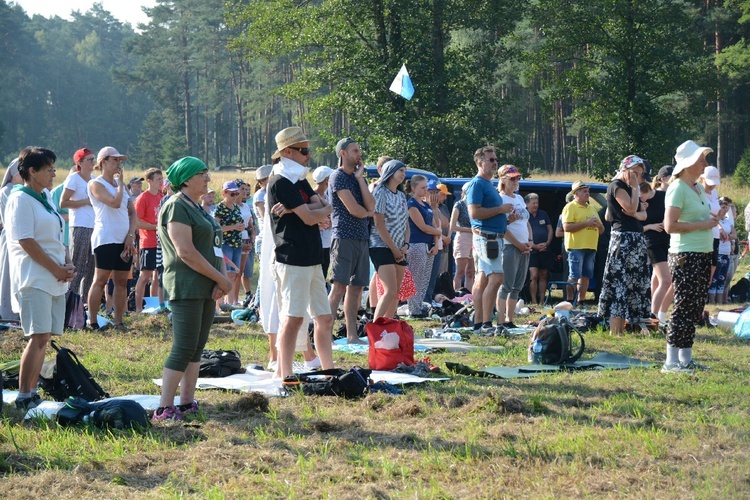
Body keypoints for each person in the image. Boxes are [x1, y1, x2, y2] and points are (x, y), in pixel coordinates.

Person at [153, 156, 233, 421]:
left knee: (197, 346)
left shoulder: (198, 207)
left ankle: (186, 402)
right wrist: (221, 280)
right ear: (186, 179)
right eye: (203, 174)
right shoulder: (176, 206)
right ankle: (165, 407)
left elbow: (214, 248)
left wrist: (221, 279)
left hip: (207, 285)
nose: (208, 179)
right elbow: (185, 251)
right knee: (184, 346)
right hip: (186, 284)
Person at [6, 147, 75, 409]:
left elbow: (56, 235)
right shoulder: (20, 199)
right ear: (32, 172)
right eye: (48, 169)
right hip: (34, 277)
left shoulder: (44, 196)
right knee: (37, 336)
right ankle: (24, 396)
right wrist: (56, 269)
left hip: (53, 277)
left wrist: (66, 263)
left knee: (45, 337)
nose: (54, 174)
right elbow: (26, 241)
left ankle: (33, 391)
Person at [264, 126, 335, 378]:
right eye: (303, 150)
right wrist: (311, 211)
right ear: (286, 152)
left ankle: (329, 370)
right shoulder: (280, 181)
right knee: (292, 319)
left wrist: (304, 209)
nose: (309, 154)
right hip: (292, 258)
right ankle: (284, 374)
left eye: (308, 149)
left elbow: (322, 205)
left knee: (324, 318)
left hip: (313, 257)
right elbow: (310, 216)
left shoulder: (299, 178)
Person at [662, 140, 717, 373]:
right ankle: (671, 361)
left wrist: (710, 221)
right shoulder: (678, 188)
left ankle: (686, 359)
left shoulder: (697, 187)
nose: (705, 162)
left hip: (702, 253)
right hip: (685, 254)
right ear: (688, 163)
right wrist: (702, 224)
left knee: (694, 308)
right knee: (683, 307)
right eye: (701, 159)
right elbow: (669, 226)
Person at [327, 137, 375, 344]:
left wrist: (360, 179)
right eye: (355, 150)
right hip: (344, 237)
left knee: (356, 290)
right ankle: (323, 333)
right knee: (338, 288)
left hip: (362, 237)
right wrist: (367, 212)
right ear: (343, 154)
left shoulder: (356, 178)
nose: (359, 154)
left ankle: (352, 335)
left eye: (359, 150)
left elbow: (371, 206)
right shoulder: (337, 177)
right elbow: (354, 210)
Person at [597, 155, 651, 335]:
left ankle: (624, 329)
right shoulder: (617, 186)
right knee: (619, 285)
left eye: (640, 174)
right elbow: (629, 208)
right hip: (624, 240)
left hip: (635, 239)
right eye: (635, 173)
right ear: (625, 169)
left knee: (631, 285)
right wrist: (635, 190)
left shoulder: (628, 187)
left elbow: (641, 215)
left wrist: (636, 210)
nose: (637, 177)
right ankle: (615, 331)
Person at [86, 147, 138, 330]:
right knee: (100, 280)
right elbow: (115, 204)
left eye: (119, 160)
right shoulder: (96, 184)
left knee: (122, 281)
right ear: (103, 162)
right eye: (115, 160)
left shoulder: (122, 187)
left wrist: (131, 236)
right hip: (105, 238)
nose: (118, 163)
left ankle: (119, 322)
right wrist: (121, 185)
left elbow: (133, 213)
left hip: (124, 239)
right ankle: (92, 322)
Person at [466, 146, 513, 335]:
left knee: (483, 280)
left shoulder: (488, 185)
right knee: (496, 278)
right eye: (490, 159)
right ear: (480, 163)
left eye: (495, 159)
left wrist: (506, 218)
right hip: (487, 239)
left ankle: (479, 323)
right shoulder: (477, 184)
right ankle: (486, 322)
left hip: (491, 238)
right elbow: (474, 212)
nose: (495, 162)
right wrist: (500, 210)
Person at [369, 160, 409, 319]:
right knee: (390, 290)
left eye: (405, 171)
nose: (403, 174)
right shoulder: (380, 192)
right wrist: (394, 249)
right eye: (401, 170)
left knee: (396, 294)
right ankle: (374, 328)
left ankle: (388, 325)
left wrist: (405, 245)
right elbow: (378, 223)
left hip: (400, 248)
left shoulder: (401, 195)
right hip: (381, 246)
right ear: (390, 172)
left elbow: (406, 223)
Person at [496, 165, 531, 328]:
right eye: (512, 178)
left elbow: (526, 221)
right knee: (506, 284)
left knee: (518, 285)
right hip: (510, 246)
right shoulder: (500, 199)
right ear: (503, 179)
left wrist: (530, 241)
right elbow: (502, 228)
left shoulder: (519, 198)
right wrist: (518, 244)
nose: (516, 181)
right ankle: (500, 320)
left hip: (524, 246)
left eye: (518, 178)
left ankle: (510, 319)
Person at [61, 148, 96, 306]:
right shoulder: (73, 179)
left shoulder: (94, 179)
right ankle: (69, 304)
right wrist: (85, 201)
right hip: (80, 226)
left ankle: (84, 305)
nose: (93, 162)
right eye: (89, 159)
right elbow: (63, 202)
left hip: (95, 227)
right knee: (78, 266)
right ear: (79, 163)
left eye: (93, 159)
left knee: (91, 268)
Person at [561, 181, 604, 303]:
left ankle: (581, 300)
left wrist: (598, 225)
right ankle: (570, 300)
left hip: (591, 246)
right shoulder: (570, 207)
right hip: (576, 246)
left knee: (586, 275)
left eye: (588, 191)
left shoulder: (591, 208)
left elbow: (602, 230)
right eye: (584, 191)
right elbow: (567, 228)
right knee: (574, 275)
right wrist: (587, 223)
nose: (587, 193)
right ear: (576, 193)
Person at [405, 175, 442, 317]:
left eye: (426, 187)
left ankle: (419, 306)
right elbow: (422, 226)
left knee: (425, 278)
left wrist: (435, 241)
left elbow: (435, 223)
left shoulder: (426, 205)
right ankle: (413, 309)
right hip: (416, 244)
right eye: (423, 187)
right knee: (416, 278)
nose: (426, 190)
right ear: (414, 189)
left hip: (428, 244)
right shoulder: (412, 205)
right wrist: (437, 232)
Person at [640, 181, 672, 323]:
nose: (639, 199)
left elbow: (670, 213)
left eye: (641, 196)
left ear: (647, 190)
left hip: (666, 241)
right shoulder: (639, 203)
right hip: (652, 243)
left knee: (656, 278)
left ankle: (653, 312)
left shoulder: (663, 196)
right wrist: (651, 226)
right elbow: (636, 226)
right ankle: (653, 315)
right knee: (666, 281)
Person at [134, 168, 164, 312]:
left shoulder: (161, 197)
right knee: (145, 275)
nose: (161, 182)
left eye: (162, 179)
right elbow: (137, 222)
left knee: (158, 276)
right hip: (148, 242)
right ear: (149, 181)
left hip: (160, 242)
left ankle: (155, 305)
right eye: (158, 179)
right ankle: (138, 308)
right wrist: (155, 227)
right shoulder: (142, 198)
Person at [213, 181, 245, 308]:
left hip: (237, 244)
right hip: (225, 244)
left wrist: (241, 227)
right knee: (224, 274)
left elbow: (239, 222)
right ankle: (220, 303)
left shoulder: (236, 207)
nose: (235, 196)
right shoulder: (220, 208)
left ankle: (230, 303)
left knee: (234, 274)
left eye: (237, 193)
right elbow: (216, 227)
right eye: (232, 194)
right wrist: (233, 227)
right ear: (224, 193)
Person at [0, 159, 22, 321]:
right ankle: (7, 313)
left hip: (22, 239)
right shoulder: (7, 190)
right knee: (8, 277)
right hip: (11, 239)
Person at [425, 181, 451, 303]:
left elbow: (445, 223)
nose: (434, 195)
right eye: (432, 192)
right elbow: (431, 226)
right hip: (428, 245)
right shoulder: (422, 206)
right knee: (425, 276)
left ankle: (429, 300)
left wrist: (435, 208)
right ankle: (423, 301)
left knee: (434, 277)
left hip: (439, 246)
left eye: (436, 192)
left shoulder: (439, 207)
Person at [526, 192, 553, 304]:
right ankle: (533, 301)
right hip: (532, 250)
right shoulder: (525, 215)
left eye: (537, 203)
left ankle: (542, 300)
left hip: (545, 249)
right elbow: (524, 232)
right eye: (533, 203)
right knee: (534, 275)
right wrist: (535, 246)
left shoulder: (543, 214)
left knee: (543, 275)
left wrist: (547, 243)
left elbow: (550, 230)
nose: (536, 205)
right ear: (527, 204)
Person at [698, 166, 722, 288]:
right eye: (709, 183)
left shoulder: (715, 193)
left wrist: (720, 225)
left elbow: (716, 212)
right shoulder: (697, 190)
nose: (712, 186)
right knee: (702, 267)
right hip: (702, 233)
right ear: (702, 178)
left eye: (714, 184)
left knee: (712, 265)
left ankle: (704, 294)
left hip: (715, 233)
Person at [449, 182, 475, 292]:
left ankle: (469, 296)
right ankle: (458, 297)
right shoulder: (459, 204)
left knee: (471, 272)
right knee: (460, 272)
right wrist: (470, 230)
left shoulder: (476, 205)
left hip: (475, 239)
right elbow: (452, 226)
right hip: (463, 238)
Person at [235, 179, 256, 302]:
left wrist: (252, 237)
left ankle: (236, 299)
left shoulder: (246, 206)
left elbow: (251, 225)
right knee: (234, 272)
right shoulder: (232, 206)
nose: (245, 192)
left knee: (241, 271)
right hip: (236, 240)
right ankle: (231, 299)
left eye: (246, 189)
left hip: (246, 239)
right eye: (242, 189)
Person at [709, 197, 732, 304]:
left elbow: (734, 234)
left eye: (726, 207)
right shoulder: (715, 220)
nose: (725, 209)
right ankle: (712, 301)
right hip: (718, 250)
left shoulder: (727, 221)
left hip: (726, 251)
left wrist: (728, 236)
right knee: (714, 277)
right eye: (723, 207)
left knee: (723, 277)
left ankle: (720, 301)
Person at [312, 166, 334, 280]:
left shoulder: (328, 196)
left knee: (323, 273)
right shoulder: (310, 196)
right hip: (314, 242)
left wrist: (330, 223)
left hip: (327, 241)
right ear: (327, 180)